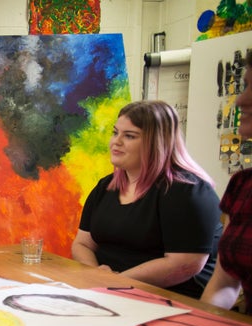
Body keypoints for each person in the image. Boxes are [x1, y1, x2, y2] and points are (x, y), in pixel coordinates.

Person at [71, 100, 222, 299]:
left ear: (156, 142)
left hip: (168, 298)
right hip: (108, 290)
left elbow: (185, 264)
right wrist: (96, 275)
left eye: (129, 136)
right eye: (115, 132)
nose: (116, 142)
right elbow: (82, 244)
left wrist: (117, 282)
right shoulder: (105, 186)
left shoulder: (188, 191)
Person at [201, 49, 252, 316]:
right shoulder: (242, 186)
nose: (241, 100)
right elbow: (224, 284)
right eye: (244, 86)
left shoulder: (192, 190)